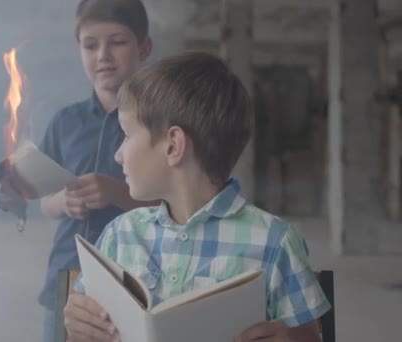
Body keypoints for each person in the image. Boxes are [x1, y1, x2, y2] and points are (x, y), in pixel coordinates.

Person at [63, 51, 332, 342]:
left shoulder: (276, 243)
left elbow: (308, 337)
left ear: (173, 145)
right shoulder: (119, 234)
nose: (118, 154)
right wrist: (78, 322)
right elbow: (83, 322)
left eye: (127, 135)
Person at [33, 1, 156, 341]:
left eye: (117, 42)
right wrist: (64, 201)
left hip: (138, 278)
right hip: (67, 273)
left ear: (144, 47)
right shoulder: (65, 122)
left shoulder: (159, 120)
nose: (103, 55)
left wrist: (118, 194)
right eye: (90, 45)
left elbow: (178, 203)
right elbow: (44, 202)